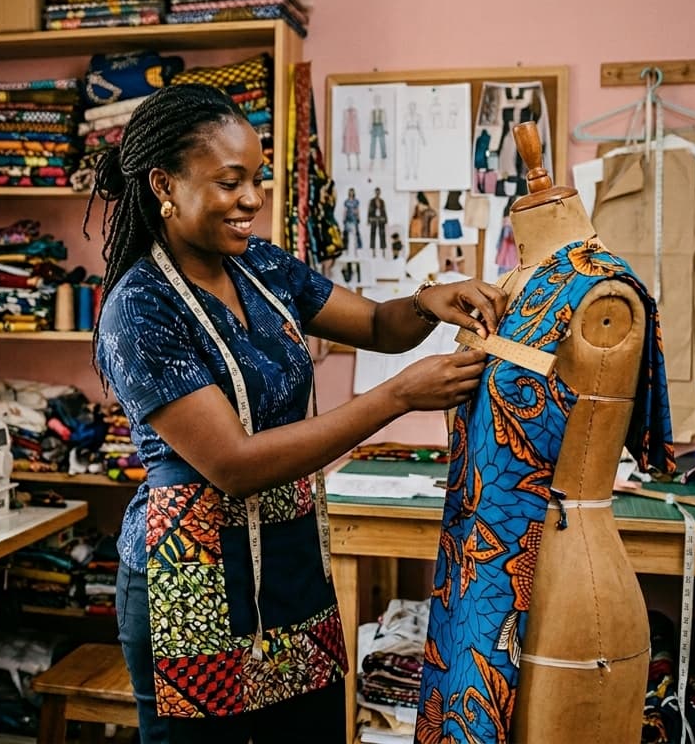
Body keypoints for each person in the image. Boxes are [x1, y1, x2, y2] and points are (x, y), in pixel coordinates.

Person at [83, 83, 506, 744]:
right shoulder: (139, 311)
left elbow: (373, 322)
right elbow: (234, 464)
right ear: (165, 184)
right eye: (230, 182)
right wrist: (397, 397)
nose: (252, 199)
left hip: (291, 563)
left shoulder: (260, 267)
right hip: (193, 578)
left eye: (257, 179)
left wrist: (429, 301)